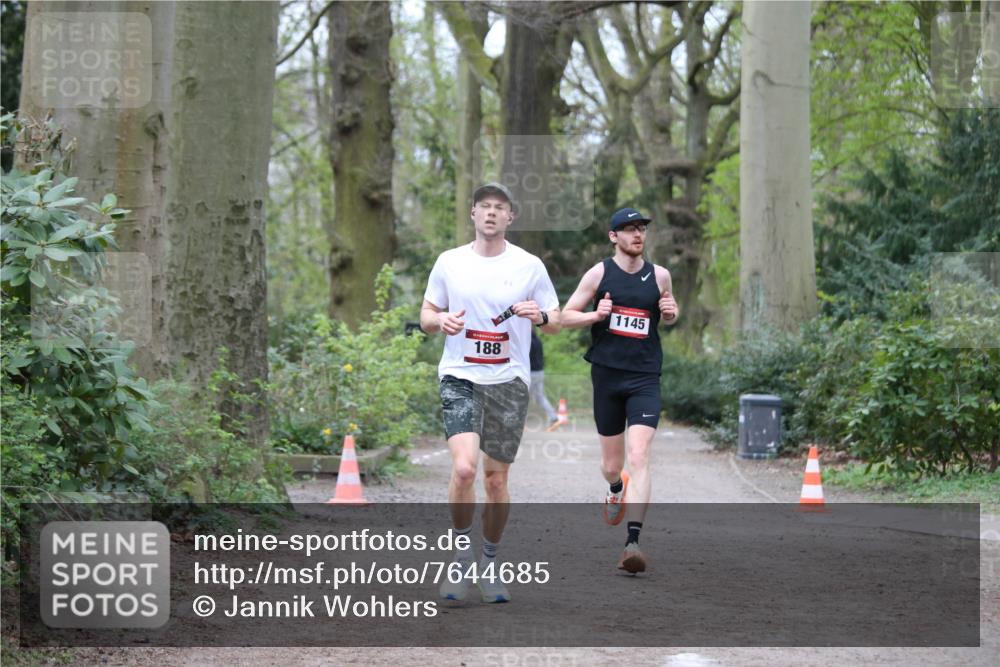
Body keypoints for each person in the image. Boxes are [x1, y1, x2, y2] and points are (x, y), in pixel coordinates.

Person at [420, 182, 561, 602]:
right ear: (473, 214)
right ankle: (461, 558)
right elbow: (427, 313)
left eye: (500, 208)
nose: (491, 213)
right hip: (460, 376)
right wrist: (439, 320)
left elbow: (555, 320)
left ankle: (491, 562)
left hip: (509, 381)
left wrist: (540, 316)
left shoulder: (529, 266)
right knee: (464, 469)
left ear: (510, 217)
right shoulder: (450, 262)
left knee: (496, 480)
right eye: (484, 206)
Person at [560, 207, 679, 574]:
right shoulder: (599, 273)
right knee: (613, 465)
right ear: (613, 236)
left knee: (639, 454)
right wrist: (596, 316)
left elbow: (667, 314)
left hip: (644, 377)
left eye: (641, 228)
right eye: (628, 229)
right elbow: (564, 315)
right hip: (608, 377)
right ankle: (615, 489)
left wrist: (672, 312)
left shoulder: (660, 276)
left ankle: (633, 542)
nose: (637, 235)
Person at [529, 330, 560, 431]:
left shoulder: (527, 341)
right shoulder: (538, 340)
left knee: (522, 399)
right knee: (540, 397)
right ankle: (553, 417)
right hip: (540, 372)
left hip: (530, 373)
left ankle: (517, 422)